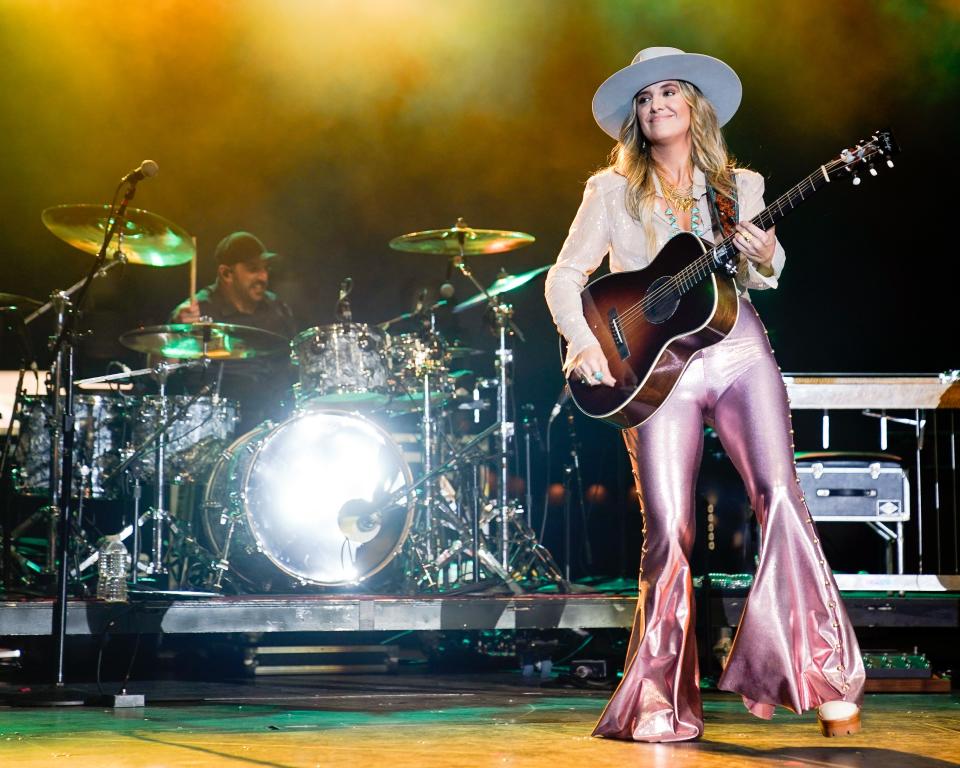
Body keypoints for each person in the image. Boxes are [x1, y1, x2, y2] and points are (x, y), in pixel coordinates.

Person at [544, 47, 864, 742]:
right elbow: (565, 276)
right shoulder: (608, 190)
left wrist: (764, 250)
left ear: (693, 105)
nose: (656, 104)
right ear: (636, 115)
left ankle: (828, 676)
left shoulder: (738, 185)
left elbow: (768, 270)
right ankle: (659, 704)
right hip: (657, 371)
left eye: (668, 92)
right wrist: (586, 341)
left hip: (736, 345)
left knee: (781, 495)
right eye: (644, 97)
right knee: (670, 531)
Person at [170, 231, 297, 429]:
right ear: (226, 274)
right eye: (253, 269)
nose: (263, 277)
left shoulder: (277, 308)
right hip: (214, 423)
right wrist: (176, 332)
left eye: (266, 269)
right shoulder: (196, 310)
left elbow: (296, 362)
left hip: (272, 421)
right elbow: (159, 370)